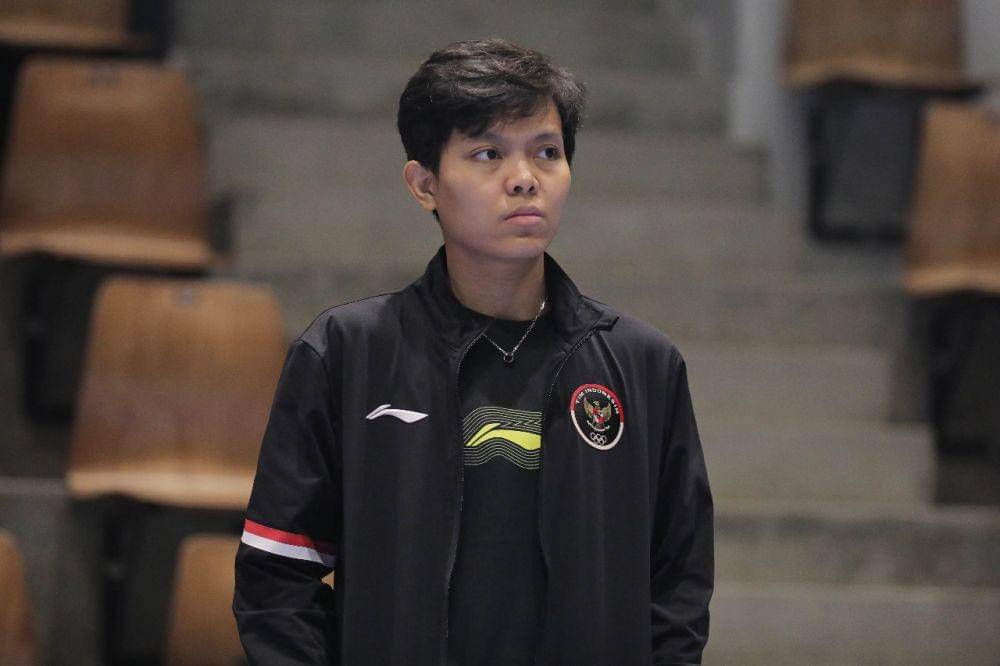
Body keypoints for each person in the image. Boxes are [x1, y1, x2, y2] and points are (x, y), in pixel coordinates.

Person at [233, 37, 714, 665]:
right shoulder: (346, 353)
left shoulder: (644, 365)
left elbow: (678, 585)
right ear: (424, 184)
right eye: (487, 153)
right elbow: (277, 577)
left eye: (547, 152)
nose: (524, 179)